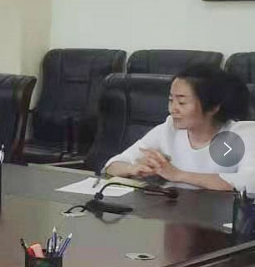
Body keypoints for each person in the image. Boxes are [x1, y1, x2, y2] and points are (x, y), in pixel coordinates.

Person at [104, 66, 255, 192]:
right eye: (171, 100)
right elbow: (112, 165)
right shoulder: (169, 129)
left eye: (182, 103)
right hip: (174, 213)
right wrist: (134, 168)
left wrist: (177, 175)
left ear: (213, 107)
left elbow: (250, 182)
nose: (173, 109)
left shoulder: (242, 133)